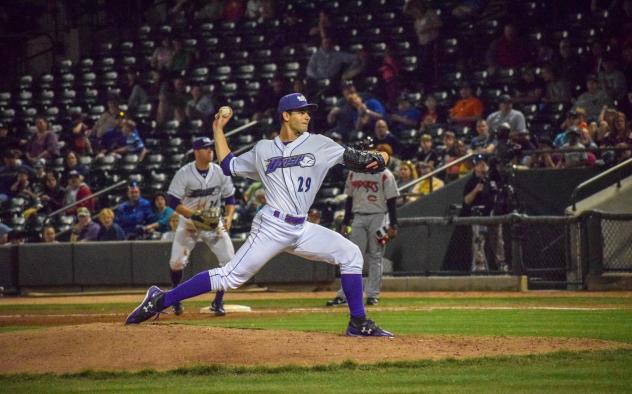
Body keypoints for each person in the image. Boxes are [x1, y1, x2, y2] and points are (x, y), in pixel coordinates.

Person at [126, 93, 394, 337]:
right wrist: (218, 129)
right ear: (285, 115)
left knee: (350, 254)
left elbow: (358, 159)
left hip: (301, 228)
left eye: (308, 111)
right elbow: (229, 165)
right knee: (230, 277)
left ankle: (358, 323)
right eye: (300, 111)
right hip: (272, 226)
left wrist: (381, 157)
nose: (307, 116)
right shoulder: (263, 149)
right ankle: (159, 300)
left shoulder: (321, 144)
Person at [164, 136, 237, 316]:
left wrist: (228, 216)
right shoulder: (184, 173)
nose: (210, 151)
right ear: (196, 151)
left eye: (211, 148)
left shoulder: (219, 171)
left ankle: (218, 302)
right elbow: (172, 201)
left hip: (213, 222)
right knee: (176, 263)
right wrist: (195, 216)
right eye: (206, 148)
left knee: (230, 262)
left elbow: (230, 198)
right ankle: (175, 298)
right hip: (189, 223)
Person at [327, 162, 399, 307]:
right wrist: (346, 222)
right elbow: (349, 198)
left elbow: (392, 201)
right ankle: (345, 294)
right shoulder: (354, 172)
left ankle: (372, 295)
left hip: (379, 217)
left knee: (376, 256)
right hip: (358, 217)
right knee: (351, 256)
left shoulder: (385, 174)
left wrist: (393, 224)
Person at [461, 154, 507, 273]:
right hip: (478, 214)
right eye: (479, 164)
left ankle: (501, 265)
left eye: (484, 163)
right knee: (478, 240)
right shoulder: (471, 182)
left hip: (493, 214)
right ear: (475, 167)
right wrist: (476, 190)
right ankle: (479, 267)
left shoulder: (493, 179)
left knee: (498, 241)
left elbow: (501, 193)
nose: (482, 166)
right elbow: (466, 201)